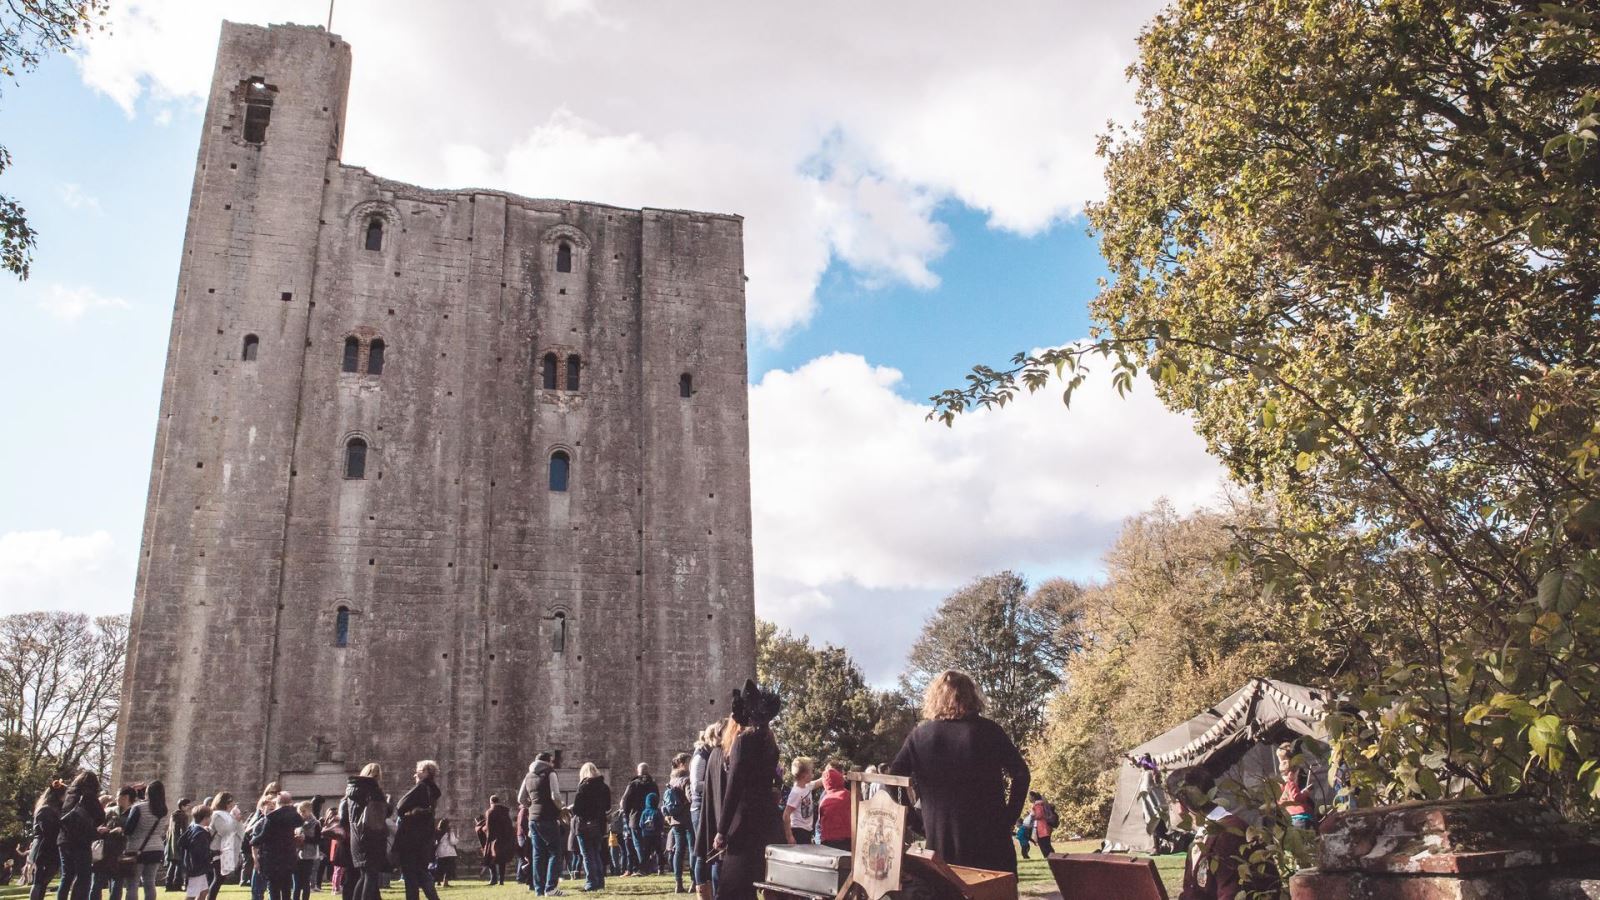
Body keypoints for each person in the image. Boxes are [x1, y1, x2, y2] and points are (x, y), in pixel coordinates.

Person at [890, 670, 1030, 874]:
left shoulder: (919, 737)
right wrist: (1008, 818)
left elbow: (893, 780)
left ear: (935, 699)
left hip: (942, 845)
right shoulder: (989, 731)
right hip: (991, 843)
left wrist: (915, 821)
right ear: (972, 696)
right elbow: (1021, 774)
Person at [710, 681, 784, 900]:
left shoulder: (743, 741)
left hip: (744, 825)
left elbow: (734, 787)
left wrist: (721, 830)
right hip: (768, 821)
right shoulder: (770, 742)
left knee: (734, 890)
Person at [1168, 768, 1278, 900]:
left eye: (1170, 802)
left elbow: (1232, 894)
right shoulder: (1202, 838)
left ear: (1180, 804)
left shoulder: (1227, 835)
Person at [394, 761, 443, 900]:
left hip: (411, 837)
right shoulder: (433, 790)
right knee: (422, 872)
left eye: (419, 770)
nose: (416, 773)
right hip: (425, 838)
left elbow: (400, 806)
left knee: (410, 875)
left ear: (427, 772)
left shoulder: (421, 787)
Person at [339, 765, 388, 900]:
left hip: (356, 837)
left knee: (364, 875)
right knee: (371, 876)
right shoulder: (373, 790)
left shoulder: (351, 790)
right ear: (377, 776)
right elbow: (383, 812)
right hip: (372, 835)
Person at [518, 753, 563, 896]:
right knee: (555, 852)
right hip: (548, 817)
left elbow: (520, 798)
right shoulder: (550, 773)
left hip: (533, 819)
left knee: (537, 855)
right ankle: (551, 888)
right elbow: (555, 795)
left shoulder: (528, 775)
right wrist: (560, 808)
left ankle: (539, 889)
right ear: (548, 761)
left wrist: (531, 806)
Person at [57, 771, 105, 900]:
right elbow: (101, 817)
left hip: (64, 839)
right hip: (81, 840)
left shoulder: (70, 796)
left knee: (66, 876)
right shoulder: (88, 797)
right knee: (83, 876)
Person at [121, 781, 169, 900]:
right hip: (156, 848)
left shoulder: (138, 807)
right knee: (149, 883)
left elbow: (128, 830)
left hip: (137, 848)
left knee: (133, 884)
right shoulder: (163, 810)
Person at [688, 722, 720, 900]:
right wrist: (716, 784)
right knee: (701, 851)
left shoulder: (713, 755)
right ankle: (703, 893)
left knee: (711, 851)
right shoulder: (701, 756)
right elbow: (696, 785)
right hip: (699, 807)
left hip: (709, 806)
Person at [249, 793, 300, 900]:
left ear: (278, 802)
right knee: (286, 887)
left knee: (274, 888)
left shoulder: (272, 817)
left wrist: (253, 841)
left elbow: (264, 836)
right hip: (288, 856)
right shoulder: (294, 815)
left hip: (273, 858)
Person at [570, 764, 610, 893]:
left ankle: (591, 882)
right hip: (599, 824)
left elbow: (577, 808)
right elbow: (608, 806)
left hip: (584, 825)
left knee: (587, 855)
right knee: (596, 853)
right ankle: (600, 882)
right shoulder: (604, 787)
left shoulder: (584, 787)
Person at [29, 780, 67, 900]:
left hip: (48, 848)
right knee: (38, 882)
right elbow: (48, 831)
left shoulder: (52, 810)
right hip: (43, 849)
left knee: (43, 882)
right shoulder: (46, 810)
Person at [617, 765, 657, 877]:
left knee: (638, 844)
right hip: (650, 816)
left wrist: (627, 812)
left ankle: (643, 868)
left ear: (638, 771)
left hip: (635, 816)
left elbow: (625, 801)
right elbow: (656, 798)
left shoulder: (634, 784)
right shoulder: (652, 784)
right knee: (648, 843)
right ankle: (648, 866)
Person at [663, 756, 694, 893]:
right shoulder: (686, 779)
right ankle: (694, 882)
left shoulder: (672, 780)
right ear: (683, 764)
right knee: (693, 850)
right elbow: (690, 798)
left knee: (679, 852)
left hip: (675, 820)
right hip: (688, 819)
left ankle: (678, 883)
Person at [205, 793, 239, 900]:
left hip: (224, 849)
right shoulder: (217, 815)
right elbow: (224, 831)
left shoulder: (226, 814)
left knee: (220, 878)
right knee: (218, 878)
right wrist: (235, 820)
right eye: (230, 801)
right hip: (217, 849)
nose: (232, 803)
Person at [782, 758, 822, 846]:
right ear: (804, 775)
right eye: (811, 772)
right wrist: (789, 836)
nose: (813, 774)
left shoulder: (807, 786)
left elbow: (820, 782)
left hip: (807, 830)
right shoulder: (796, 792)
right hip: (798, 830)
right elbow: (786, 814)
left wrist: (830, 774)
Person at [1276, 744, 1316, 829]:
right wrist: (1305, 792)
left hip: (1293, 818)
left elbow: (1284, 800)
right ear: (1291, 774)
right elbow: (1296, 798)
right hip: (1302, 816)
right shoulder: (1291, 783)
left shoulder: (1282, 786)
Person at [179, 807, 213, 900]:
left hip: (197, 867)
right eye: (210, 817)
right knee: (191, 894)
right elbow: (199, 852)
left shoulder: (194, 829)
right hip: (196, 868)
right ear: (205, 818)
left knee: (204, 891)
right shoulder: (199, 833)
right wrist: (213, 854)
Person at [480, 797, 515, 886]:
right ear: (498, 801)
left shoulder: (490, 812)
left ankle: (493, 879)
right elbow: (509, 826)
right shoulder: (505, 811)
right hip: (504, 839)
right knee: (502, 860)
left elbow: (489, 827)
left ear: (491, 802)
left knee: (490, 858)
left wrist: (483, 830)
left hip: (493, 839)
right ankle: (501, 880)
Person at [815, 766, 851, 852]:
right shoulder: (846, 795)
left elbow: (820, 821)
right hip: (845, 838)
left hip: (827, 840)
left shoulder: (824, 799)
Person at [293, 802, 320, 900]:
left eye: (303, 811)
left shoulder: (316, 823)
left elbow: (317, 840)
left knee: (305, 883)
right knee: (296, 883)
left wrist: (305, 838)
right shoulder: (298, 822)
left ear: (309, 811)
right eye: (300, 812)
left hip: (308, 855)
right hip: (297, 854)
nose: (301, 814)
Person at [164, 797, 191, 892]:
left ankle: (168, 884)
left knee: (172, 864)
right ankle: (176, 884)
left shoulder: (173, 815)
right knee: (179, 864)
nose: (188, 807)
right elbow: (183, 830)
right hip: (179, 843)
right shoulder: (182, 816)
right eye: (187, 805)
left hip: (172, 842)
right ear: (182, 806)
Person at [1028, 793, 1057, 857]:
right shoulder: (1042, 804)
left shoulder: (1037, 805)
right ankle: (1052, 857)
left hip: (1042, 827)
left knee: (1044, 844)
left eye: (1030, 796)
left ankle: (1050, 857)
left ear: (1033, 797)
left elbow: (1039, 815)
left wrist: (1033, 816)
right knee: (1046, 843)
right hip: (1046, 827)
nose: (1029, 798)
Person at [433, 821, 457, 888]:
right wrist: (457, 839)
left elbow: (435, 841)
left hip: (440, 851)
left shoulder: (437, 831)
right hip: (449, 852)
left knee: (440, 867)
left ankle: (437, 882)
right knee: (448, 868)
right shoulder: (449, 832)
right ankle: (445, 882)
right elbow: (453, 842)